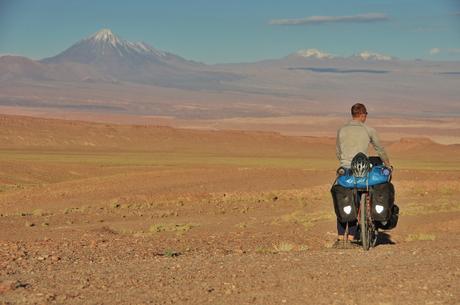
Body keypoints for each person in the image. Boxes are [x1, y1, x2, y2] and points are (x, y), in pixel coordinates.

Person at [334, 103, 391, 245]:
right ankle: (353, 237)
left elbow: (338, 151)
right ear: (363, 115)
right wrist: (387, 164)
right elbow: (379, 148)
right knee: (360, 196)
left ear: (352, 114)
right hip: (363, 170)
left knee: (343, 198)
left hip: (346, 169)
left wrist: (344, 162)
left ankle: (341, 238)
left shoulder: (342, 130)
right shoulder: (368, 130)